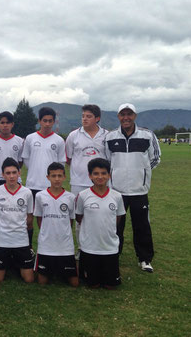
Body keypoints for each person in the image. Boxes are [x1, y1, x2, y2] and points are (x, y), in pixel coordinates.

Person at [105, 103, 161, 273]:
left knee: (142, 225)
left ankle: (144, 259)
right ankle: (113, 254)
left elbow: (155, 158)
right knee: (115, 226)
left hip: (139, 191)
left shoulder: (147, 135)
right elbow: (107, 162)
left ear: (135, 116)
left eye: (129, 114)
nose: (126, 117)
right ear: (118, 117)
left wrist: (141, 172)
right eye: (123, 114)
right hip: (117, 191)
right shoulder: (110, 137)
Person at [65, 104, 108, 258]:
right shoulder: (73, 136)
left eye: (89, 116)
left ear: (97, 118)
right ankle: (82, 248)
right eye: (83, 116)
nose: (84, 119)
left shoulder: (106, 136)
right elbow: (69, 158)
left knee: (101, 215)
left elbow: (109, 159)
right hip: (78, 183)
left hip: (101, 183)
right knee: (80, 217)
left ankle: (100, 246)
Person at [75, 158, 126, 289]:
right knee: (93, 284)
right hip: (89, 247)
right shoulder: (83, 195)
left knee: (111, 286)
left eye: (104, 173)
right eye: (96, 173)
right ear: (90, 176)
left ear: (109, 175)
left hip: (110, 247)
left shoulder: (117, 196)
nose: (100, 177)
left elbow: (118, 218)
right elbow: (79, 217)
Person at [21, 106, 65, 249]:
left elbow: (61, 163)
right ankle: (28, 248)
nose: (47, 124)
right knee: (28, 219)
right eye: (44, 120)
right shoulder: (30, 138)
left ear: (54, 122)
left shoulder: (58, 140)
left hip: (50, 187)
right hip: (32, 185)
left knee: (49, 219)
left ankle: (48, 246)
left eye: (50, 121)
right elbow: (26, 160)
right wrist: (36, 170)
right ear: (39, 121)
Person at [34, 162, 78, 287]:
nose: (57, 179)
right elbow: (39, 218)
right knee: (42, 281)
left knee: (74, 283)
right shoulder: (40, 196)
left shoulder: (70, 197)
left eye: (60, 176)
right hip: (46, 244)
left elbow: (70, 220)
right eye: (53, 176)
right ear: (48, 177)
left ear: (64, 177)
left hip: (65, 245)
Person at [0, 157, 34, 283]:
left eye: (14, 172)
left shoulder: (27, 192)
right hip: (2, 240)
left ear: (19, 173)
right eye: (8, 173)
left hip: (21, 239)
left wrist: (28, 239)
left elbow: (30, 218)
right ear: (2, 174)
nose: (11, 176)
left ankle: (17, 263)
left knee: (29, 279)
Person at [0, 111, 24, 193]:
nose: (5, 125)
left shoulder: (19, 141)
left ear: (12, 124)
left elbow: (20, 162)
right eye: (2, 122)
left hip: (15, 180)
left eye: (8, 122)